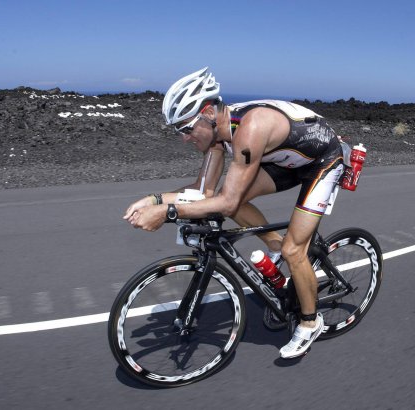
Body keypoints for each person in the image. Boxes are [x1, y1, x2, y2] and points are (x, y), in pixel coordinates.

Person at [123, 67, 345, 359]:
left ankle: (309, 322)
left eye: (185, 129)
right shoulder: (217, 137)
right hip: (285, 159)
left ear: (207, 113)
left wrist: (167, 212)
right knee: (236, 199)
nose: (184, 138)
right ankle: (274, 244)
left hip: (323, 160)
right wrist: (152, 199)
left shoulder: (250, 129)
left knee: (294, 250)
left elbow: (224, 204)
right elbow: (205, 192)